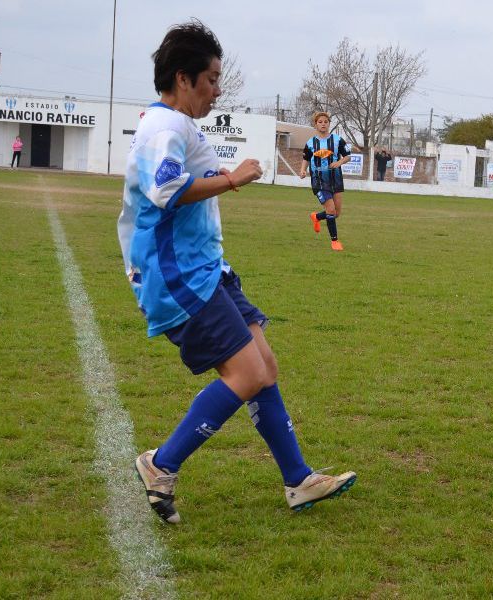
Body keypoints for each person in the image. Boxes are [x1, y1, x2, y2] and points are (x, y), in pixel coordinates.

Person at [118, 20, 356, 524]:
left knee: (264, 365)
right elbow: (166, 190)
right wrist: (232, 179)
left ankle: (298, 479)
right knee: (247, 373)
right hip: (177, 276)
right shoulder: (165, 127)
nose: (217, 89)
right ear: (183, 79)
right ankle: (160, 464)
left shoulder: (177, 124)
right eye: (211, 78)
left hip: (205, 269)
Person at [300, 112, 351, 251]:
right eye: (320, 121)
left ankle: (316, 216)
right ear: (315, 124)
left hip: (335, 179)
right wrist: (303, 170)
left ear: (329, 124)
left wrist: (339, 162)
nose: (323, 124)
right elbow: (305, 158)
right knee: (330, 209)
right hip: (319, 180)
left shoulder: (337, 140)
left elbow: (348, 156)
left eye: (325, 121)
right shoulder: (311, 143)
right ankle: (335, 241)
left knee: (336, 213)